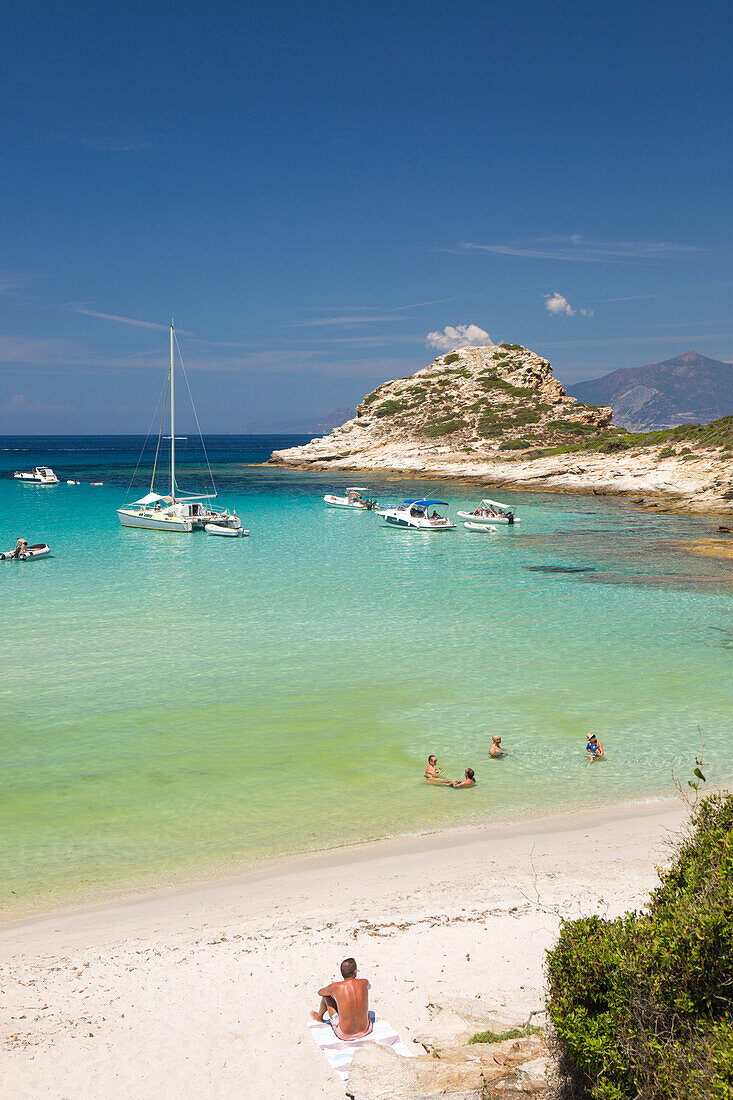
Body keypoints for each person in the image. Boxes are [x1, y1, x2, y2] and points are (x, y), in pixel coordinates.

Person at [311, 958, 374, 1040]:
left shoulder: (335, 987)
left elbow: (320, 992)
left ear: (342, 973)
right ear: (355, 972)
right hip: (365, 1030)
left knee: (326, 997)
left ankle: (319, 1017)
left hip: (345, 1034)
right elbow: (369, 987)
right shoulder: (364, 982)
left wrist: (332, 992)